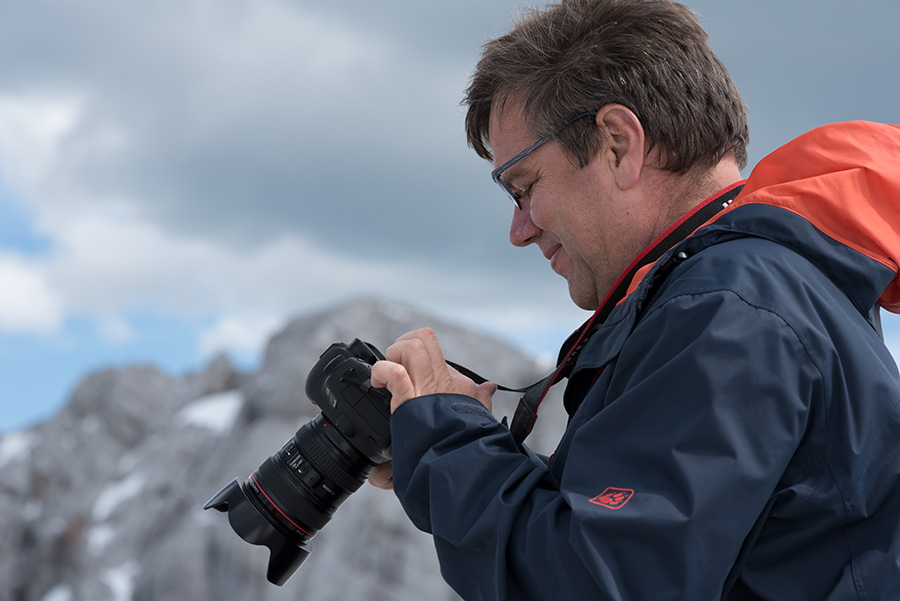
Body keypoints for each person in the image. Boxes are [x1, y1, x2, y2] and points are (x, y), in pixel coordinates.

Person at [369, 0, 900, 598]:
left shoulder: (729, 309)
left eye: (524, 186)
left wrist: (448, 447)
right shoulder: (769, 288)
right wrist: (455, 449)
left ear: (618, 144)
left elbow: (598, 584)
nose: (518, 230)